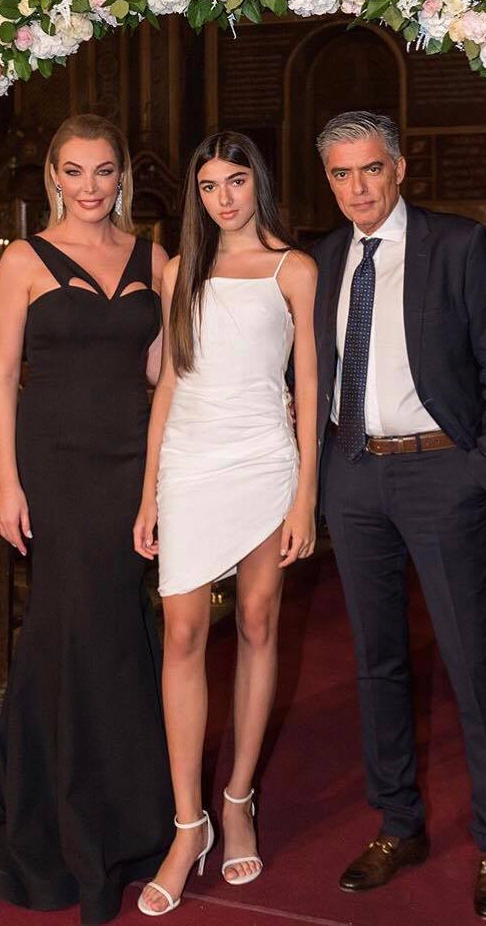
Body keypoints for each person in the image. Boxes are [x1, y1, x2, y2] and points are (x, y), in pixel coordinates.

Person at [0, 114, 174, 925]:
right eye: (74, 171)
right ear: (53, 177)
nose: (89, 187)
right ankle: (60, 822)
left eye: (103, 171)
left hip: (129, 464)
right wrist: (7, 483)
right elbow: (3, 378)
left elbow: (163, 373)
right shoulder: (22, 260)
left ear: (122, 176)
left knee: (120, 630)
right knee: (68, 629)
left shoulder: (154, 260)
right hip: (56, 468)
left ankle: (133, 819)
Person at [312, 111, 486, 922]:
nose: (357, 188)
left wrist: (481, 468)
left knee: (471, 659)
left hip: (441, 472)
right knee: (376, 662)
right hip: (353, 474)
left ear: (399, 168)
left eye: (370, 169)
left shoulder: (457, 244)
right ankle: (397, 824)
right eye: (341, 174)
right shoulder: (323, 259)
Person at [133, 131, 318, 916]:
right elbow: (169, 384)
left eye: (235, 182)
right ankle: (189, 825)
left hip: (265, 458)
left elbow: (309, 386)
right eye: (209, 186)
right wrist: (150, 492)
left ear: (257, 183)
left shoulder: (294, 268)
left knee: (257, 620)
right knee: (181, 632)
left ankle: (238, 797)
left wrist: (306, 496)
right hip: (189, 459)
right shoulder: (180, 269)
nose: (223, 199)